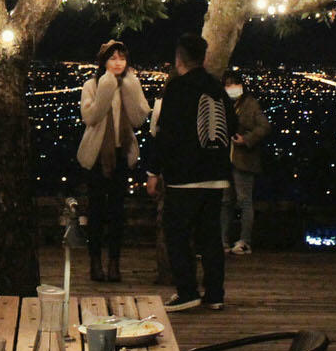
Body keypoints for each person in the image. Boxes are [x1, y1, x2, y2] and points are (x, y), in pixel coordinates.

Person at [145, 34, 232, 312]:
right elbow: (233, 122)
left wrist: (153, 171)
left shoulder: (177, 89)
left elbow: (165, 133)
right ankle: (215, 293)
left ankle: (187, 291)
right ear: (204, 57)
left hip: (185, 175)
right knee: (210, 237)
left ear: (179, 58)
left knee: (177, 234)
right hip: (216, 173)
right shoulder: (217, 88)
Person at [78, 40, 149, 283]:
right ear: (104, 61)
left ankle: (114, 262)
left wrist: (128, 89)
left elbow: (139, 118)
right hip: (98, 155)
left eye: (121, 58)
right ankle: (95, 261)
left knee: (117, 212)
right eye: (112, 58)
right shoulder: (92, 85)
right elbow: (91, 116)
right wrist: (106, 88)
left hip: (122, 153)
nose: (118, 62)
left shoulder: (131, 84)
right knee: (96, 211)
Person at [219, 70, 271, 256]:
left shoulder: (250, 104)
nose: (231, 88)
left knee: (244, 200)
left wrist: (246, 139)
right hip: (226, 160)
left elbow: (264, 126)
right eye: (228, 84)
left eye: (234, 84)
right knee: (225, 201)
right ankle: (223, 240)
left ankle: (244, 240)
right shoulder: (223, 104)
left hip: (244, 159)